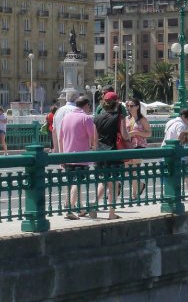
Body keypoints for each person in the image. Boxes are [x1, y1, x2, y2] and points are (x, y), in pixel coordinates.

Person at [60, 96, 97, 219]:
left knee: (72, 183)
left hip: (67, 155)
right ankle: (70, 209)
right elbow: (93, 137)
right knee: (78, 182)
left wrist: (61, 155)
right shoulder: (86, 118)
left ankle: (80, 208)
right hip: (81, 156)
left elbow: (61, 137)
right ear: (86, 105)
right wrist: (94, 150)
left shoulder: (66, 117)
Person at [93, 91, 126, 219]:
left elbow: (95, 140)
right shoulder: (119, 117)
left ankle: (94, 205)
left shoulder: (97, 118)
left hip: (100, 153)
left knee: (104, 180)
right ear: (116, 103)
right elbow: (124, 135)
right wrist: (130, 137)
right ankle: (111, 213)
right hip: (114, 152)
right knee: (114, 183)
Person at [164, 108, 188, 199]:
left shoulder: (170, 122)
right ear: (183, 117)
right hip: (177, 153)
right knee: (185, 172)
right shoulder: (181, 125)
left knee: (170, 174)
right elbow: (180, 139)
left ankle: (170, 195)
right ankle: (187, 194)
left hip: (166, 150)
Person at [123, 98, 152, 199]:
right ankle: (140, 185)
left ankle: (134, 194)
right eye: (128, 106)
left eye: (131, 106)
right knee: (127, 170)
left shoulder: (142, 119)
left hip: (139, 145)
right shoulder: (127, 119)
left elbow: (149, 133)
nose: (129, 108)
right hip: (128, 146)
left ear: (137, 107)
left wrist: (137, 133)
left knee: (134, 169)